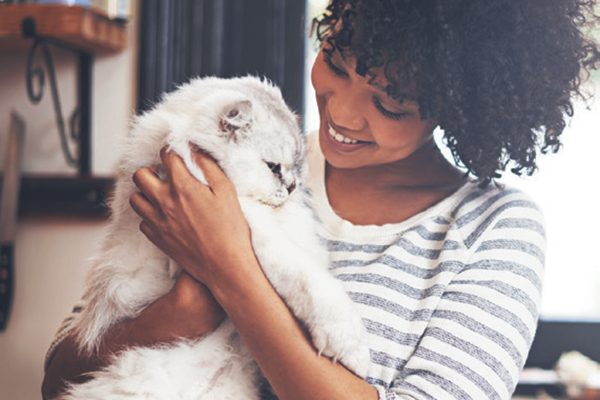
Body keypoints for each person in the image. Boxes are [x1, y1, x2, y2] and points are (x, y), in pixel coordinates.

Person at [42, 1, 600, 399]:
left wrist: (231, 271)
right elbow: (61, 376)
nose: (343, 113)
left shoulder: (495, 228)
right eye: (336, 62)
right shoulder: (240, 159)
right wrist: (177, 316)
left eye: (390, 105)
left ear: (459, 108)